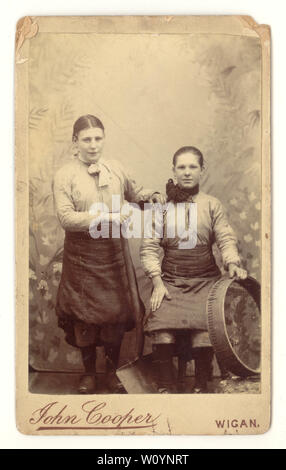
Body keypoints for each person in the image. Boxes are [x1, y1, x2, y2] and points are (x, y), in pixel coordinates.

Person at [53, 114, 165, 394]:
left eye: (98, 138)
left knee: (114, 316)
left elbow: (134, 192)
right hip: (81, 255)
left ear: (104, 139)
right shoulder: (65, 175)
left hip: (113, 254)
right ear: (75, 142)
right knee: (84, 318)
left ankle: (114, 372)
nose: (93, 145)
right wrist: (109, 217)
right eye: (86, 139)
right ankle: (89, 373)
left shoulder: (115, 169)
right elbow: (66, 218)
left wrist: (149, 197)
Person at [140, 146, 247, 393]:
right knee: (162, 329)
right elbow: (148, 247)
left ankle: (201, 385)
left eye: (192, 167)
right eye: (181, 167)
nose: (187, 173)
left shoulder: (212, 205)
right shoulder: (161, 207)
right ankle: (166, 388)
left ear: (201, 170)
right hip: (170, 282)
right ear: (174, 171)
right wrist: (158, 283)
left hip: (206, 281)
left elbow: (225, 238)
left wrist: (231, 263)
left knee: (203, 332)